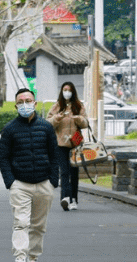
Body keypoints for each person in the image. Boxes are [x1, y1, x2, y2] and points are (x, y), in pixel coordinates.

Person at [0, 88, 59, 262]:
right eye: (21, 102)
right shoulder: (10, 129)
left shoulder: (46, 127)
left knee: (39, 226)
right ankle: (20, 257)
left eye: (28, 101)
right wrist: (11, 182)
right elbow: (3, 157)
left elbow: (54, 155)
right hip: (20, 185)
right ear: (16, 106)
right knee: (21, 223)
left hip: (44, 183)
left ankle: (32, 257)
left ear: (35, 103)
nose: (25, 104)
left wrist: (53, 181)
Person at [46, 81, 89, 211]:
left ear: (73, 91)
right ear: (61, 91)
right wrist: (57, 118)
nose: (67, 92)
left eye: (69, 90)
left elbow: (85, 123)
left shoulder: (78, 106)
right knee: (64, 171)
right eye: (65, 89)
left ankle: (74, 199)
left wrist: (78, 119)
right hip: (60, 144)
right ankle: (65, 197)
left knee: (74, 172)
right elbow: (48, 123)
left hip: (75, 144)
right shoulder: (57, 106)